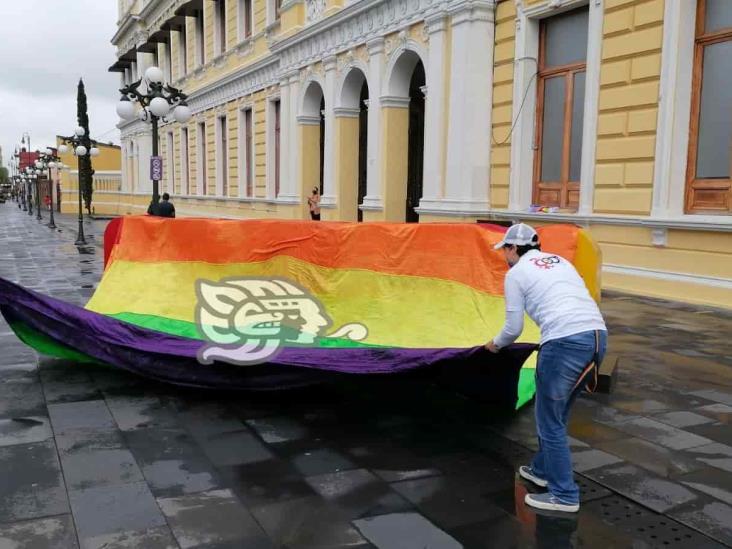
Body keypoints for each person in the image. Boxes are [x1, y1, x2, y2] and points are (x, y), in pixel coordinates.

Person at [486, 223, 607, 513]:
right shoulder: (560, 262)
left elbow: (513, 327)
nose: (504, 254)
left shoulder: (516, 274)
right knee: (558, 413)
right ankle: (541, 469)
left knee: (549, 421)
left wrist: (495, 345)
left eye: (505, 249)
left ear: (514, 248)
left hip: (564, 343)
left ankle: (564, 495)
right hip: (597, 337)